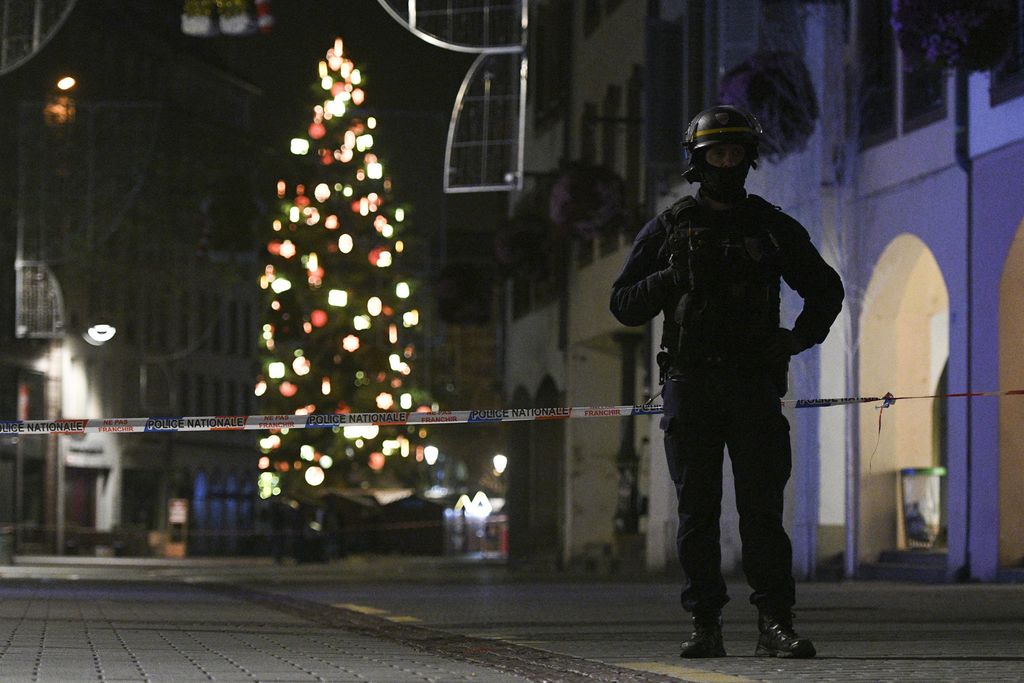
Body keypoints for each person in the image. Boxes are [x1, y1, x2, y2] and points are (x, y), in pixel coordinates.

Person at [609, 105, 844, 659]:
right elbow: (623, 304)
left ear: (748, 158)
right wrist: (672, 276)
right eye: (717, 153)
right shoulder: (669, 227)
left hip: (753, 384)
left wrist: (795, 339)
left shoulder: (770, 226)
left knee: (762, 512)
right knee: (698, 513)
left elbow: (825, 289)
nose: (727, 162)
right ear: (699, 161)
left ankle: (774, 622)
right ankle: (705, 623)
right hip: (691, 382)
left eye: (736, 152)